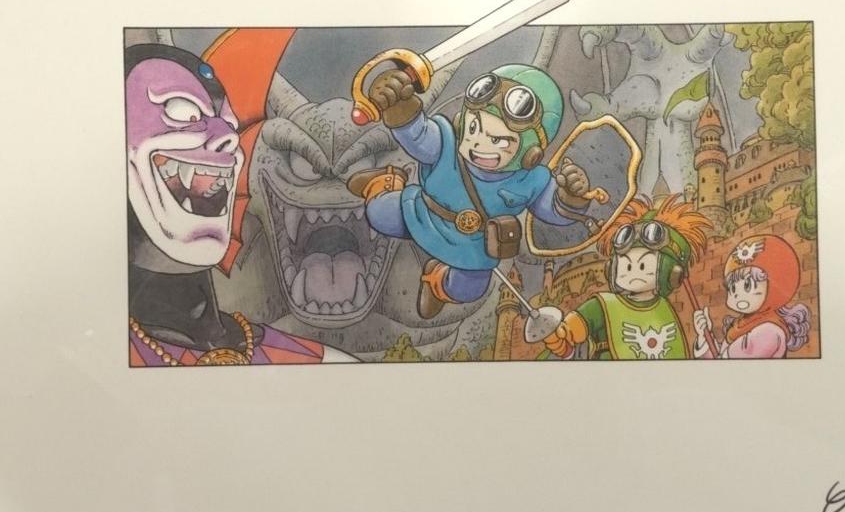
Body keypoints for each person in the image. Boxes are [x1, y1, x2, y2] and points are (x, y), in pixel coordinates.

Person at [125, 41, 333, 365]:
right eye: (181, 110)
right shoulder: (99, 356)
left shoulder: (315, 360)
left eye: (231, 124)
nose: (228, 137)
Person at [347, 64, 594, 318]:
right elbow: (420, 137)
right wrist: (400, 107)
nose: (478, 144)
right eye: (474, 128)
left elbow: (554, 210)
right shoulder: (446, 144)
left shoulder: (531, 181)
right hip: (423, 215)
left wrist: (571, 196)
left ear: (530, 153)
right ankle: (384, 182)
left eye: (497, 140)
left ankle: (436, 283)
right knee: (378, 214)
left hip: (472, 247)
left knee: (469, 289)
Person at [542, 195, 712, 359]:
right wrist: (560, 338)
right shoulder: (602, 305)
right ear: (612, 268)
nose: (633, 270)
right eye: (627, 265)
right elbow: (569, 334)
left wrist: (701, 340)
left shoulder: (665, 309)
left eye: (643, 265)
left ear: (670, 273)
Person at [692, 234, 811, 358]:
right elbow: (717, 361)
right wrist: (704, 336)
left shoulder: (769, 331)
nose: (737, 294)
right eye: (733, 288)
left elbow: (726, 364)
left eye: (747, 285)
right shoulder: (737, 327)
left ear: (773, 287)